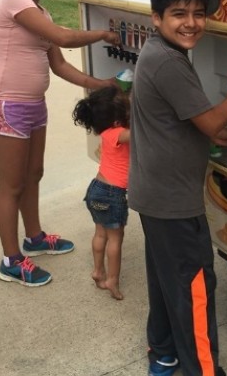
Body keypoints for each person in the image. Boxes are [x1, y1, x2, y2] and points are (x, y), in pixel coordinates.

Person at [128, 0, 227, 376]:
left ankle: (163, 353)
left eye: (198, 13)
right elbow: (206, 121)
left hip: (154, 195)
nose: (191, 23)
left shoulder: (158, 52)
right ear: (157, 17)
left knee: (168, 281)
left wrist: (210, 135)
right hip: (173, 202)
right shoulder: (169, 62)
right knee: (195, 288)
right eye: (178, 13)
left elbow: (185, 121)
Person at [0, 0, 121, 287]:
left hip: (32, 106)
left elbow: (58, 65)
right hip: (5, 104)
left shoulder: (41, 15)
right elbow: (64, 38)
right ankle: (11, 260)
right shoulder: (13, 1)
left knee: (34, 174)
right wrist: (102, 33)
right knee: (11, 185)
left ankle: (34, 237)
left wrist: (101, 83)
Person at [73, 87, 130, 300]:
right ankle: (112, 280)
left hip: (96, 189)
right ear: (116, 121)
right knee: (116, 239)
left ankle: (98, 271)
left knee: (100, 233)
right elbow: (140, 132)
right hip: (112, 194)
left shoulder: (105, 132)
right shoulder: (118, 133)